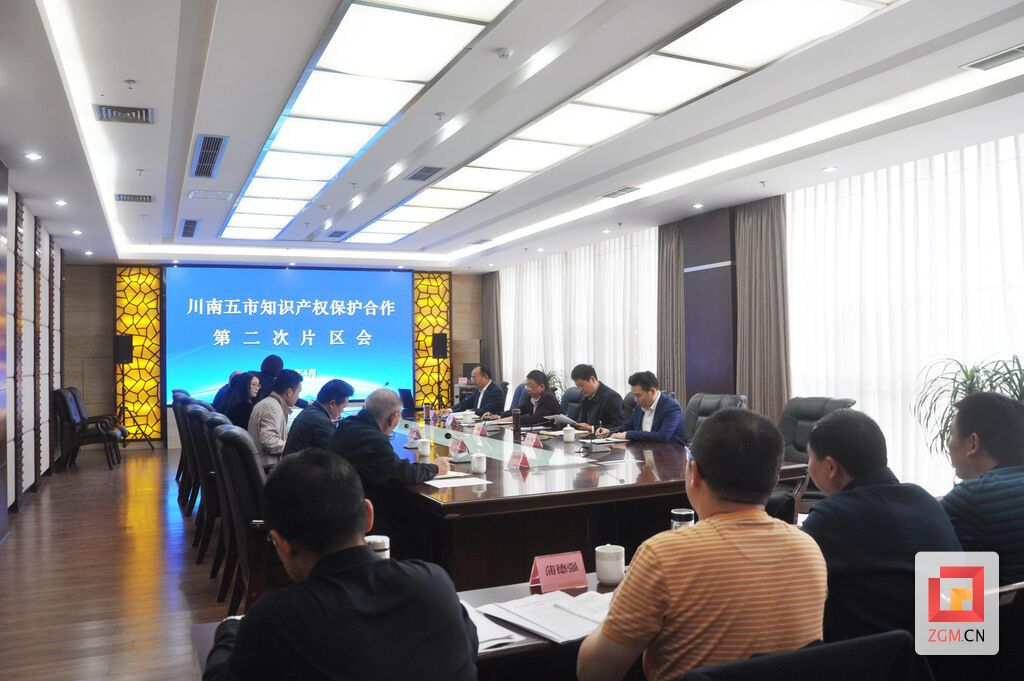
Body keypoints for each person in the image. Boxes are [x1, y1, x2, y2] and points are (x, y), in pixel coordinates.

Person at [577, 408, 826, 681]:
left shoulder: (664, 555)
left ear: (693, 473)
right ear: (775, 479)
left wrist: (617, 608)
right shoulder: (809, 549)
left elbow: (594, 672)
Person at [203, 449, 478, 681]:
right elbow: (468, 643)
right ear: (368, 515)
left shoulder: (274, 621)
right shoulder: (434, 584)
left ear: (280, 542)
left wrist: (229, 629)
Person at [801, 409, 961, 641]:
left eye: (809, 458)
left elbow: (788, 577)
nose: (807, 466)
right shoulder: (924, 499)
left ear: (830, 468)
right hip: (954, 647)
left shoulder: (833, 516)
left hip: (884, 657)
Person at [328, 388, 449, 533]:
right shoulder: (372, 439)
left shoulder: (349, 424)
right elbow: (401, 473)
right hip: (359, 515)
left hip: (340, 505)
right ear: (393, 417)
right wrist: (435, 468)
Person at [942, 391, 1024, 584]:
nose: (948, 446)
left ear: (973, 443)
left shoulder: (969, 498)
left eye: (951, 434)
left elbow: (951, 598)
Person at [596, 371, 685, 444]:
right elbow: (628, 426)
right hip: (645, 452)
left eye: (638, 395)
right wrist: (609, 431)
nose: (635, 400)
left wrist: (627, 435)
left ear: (652, 391)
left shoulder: (671, 407)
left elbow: (663, 436)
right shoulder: (640, 405)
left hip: (670, 454)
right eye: (634, 395)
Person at [283, 379, 355, 456]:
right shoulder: (320, 422)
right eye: (343, 407)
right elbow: (338, 454)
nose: (342, 411)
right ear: (332, 404)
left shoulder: (311, 412)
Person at [248, 369, 303, 457]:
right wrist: (295, 448)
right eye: (298, 392)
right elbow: (269, 441)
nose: (298, 397)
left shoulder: (271, 403)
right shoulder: (271, 407)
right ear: (289, 392)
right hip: (268, 464)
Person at [483, 369, 561, 425]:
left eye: (531, 386)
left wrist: (513, 419)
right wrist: (499, 416)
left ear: (542, 387)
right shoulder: (530, 396)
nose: (528, 389)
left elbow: (536, 419)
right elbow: (520, 410)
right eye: (527, 386)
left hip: (554, 435)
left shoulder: (548, 398)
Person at [570, 364, 623, 432]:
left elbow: (619, 426)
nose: (580, 389)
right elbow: (582, 422)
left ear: (593, 379)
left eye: (582, 385)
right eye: (577, 386)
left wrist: (592, 428)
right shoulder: (585, 399)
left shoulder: (612, 397)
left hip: (605, 438)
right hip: (586, 437)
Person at [439, 365, 504, 417]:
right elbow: (466, 403)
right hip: (477, 422)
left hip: (489, 425)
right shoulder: (479, 389)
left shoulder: (496, 391)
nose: (472, 380)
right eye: (471, 377)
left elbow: (486, 410)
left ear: (485, 377)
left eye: (474, 377)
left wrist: (468, 412)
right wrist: (450, 410)